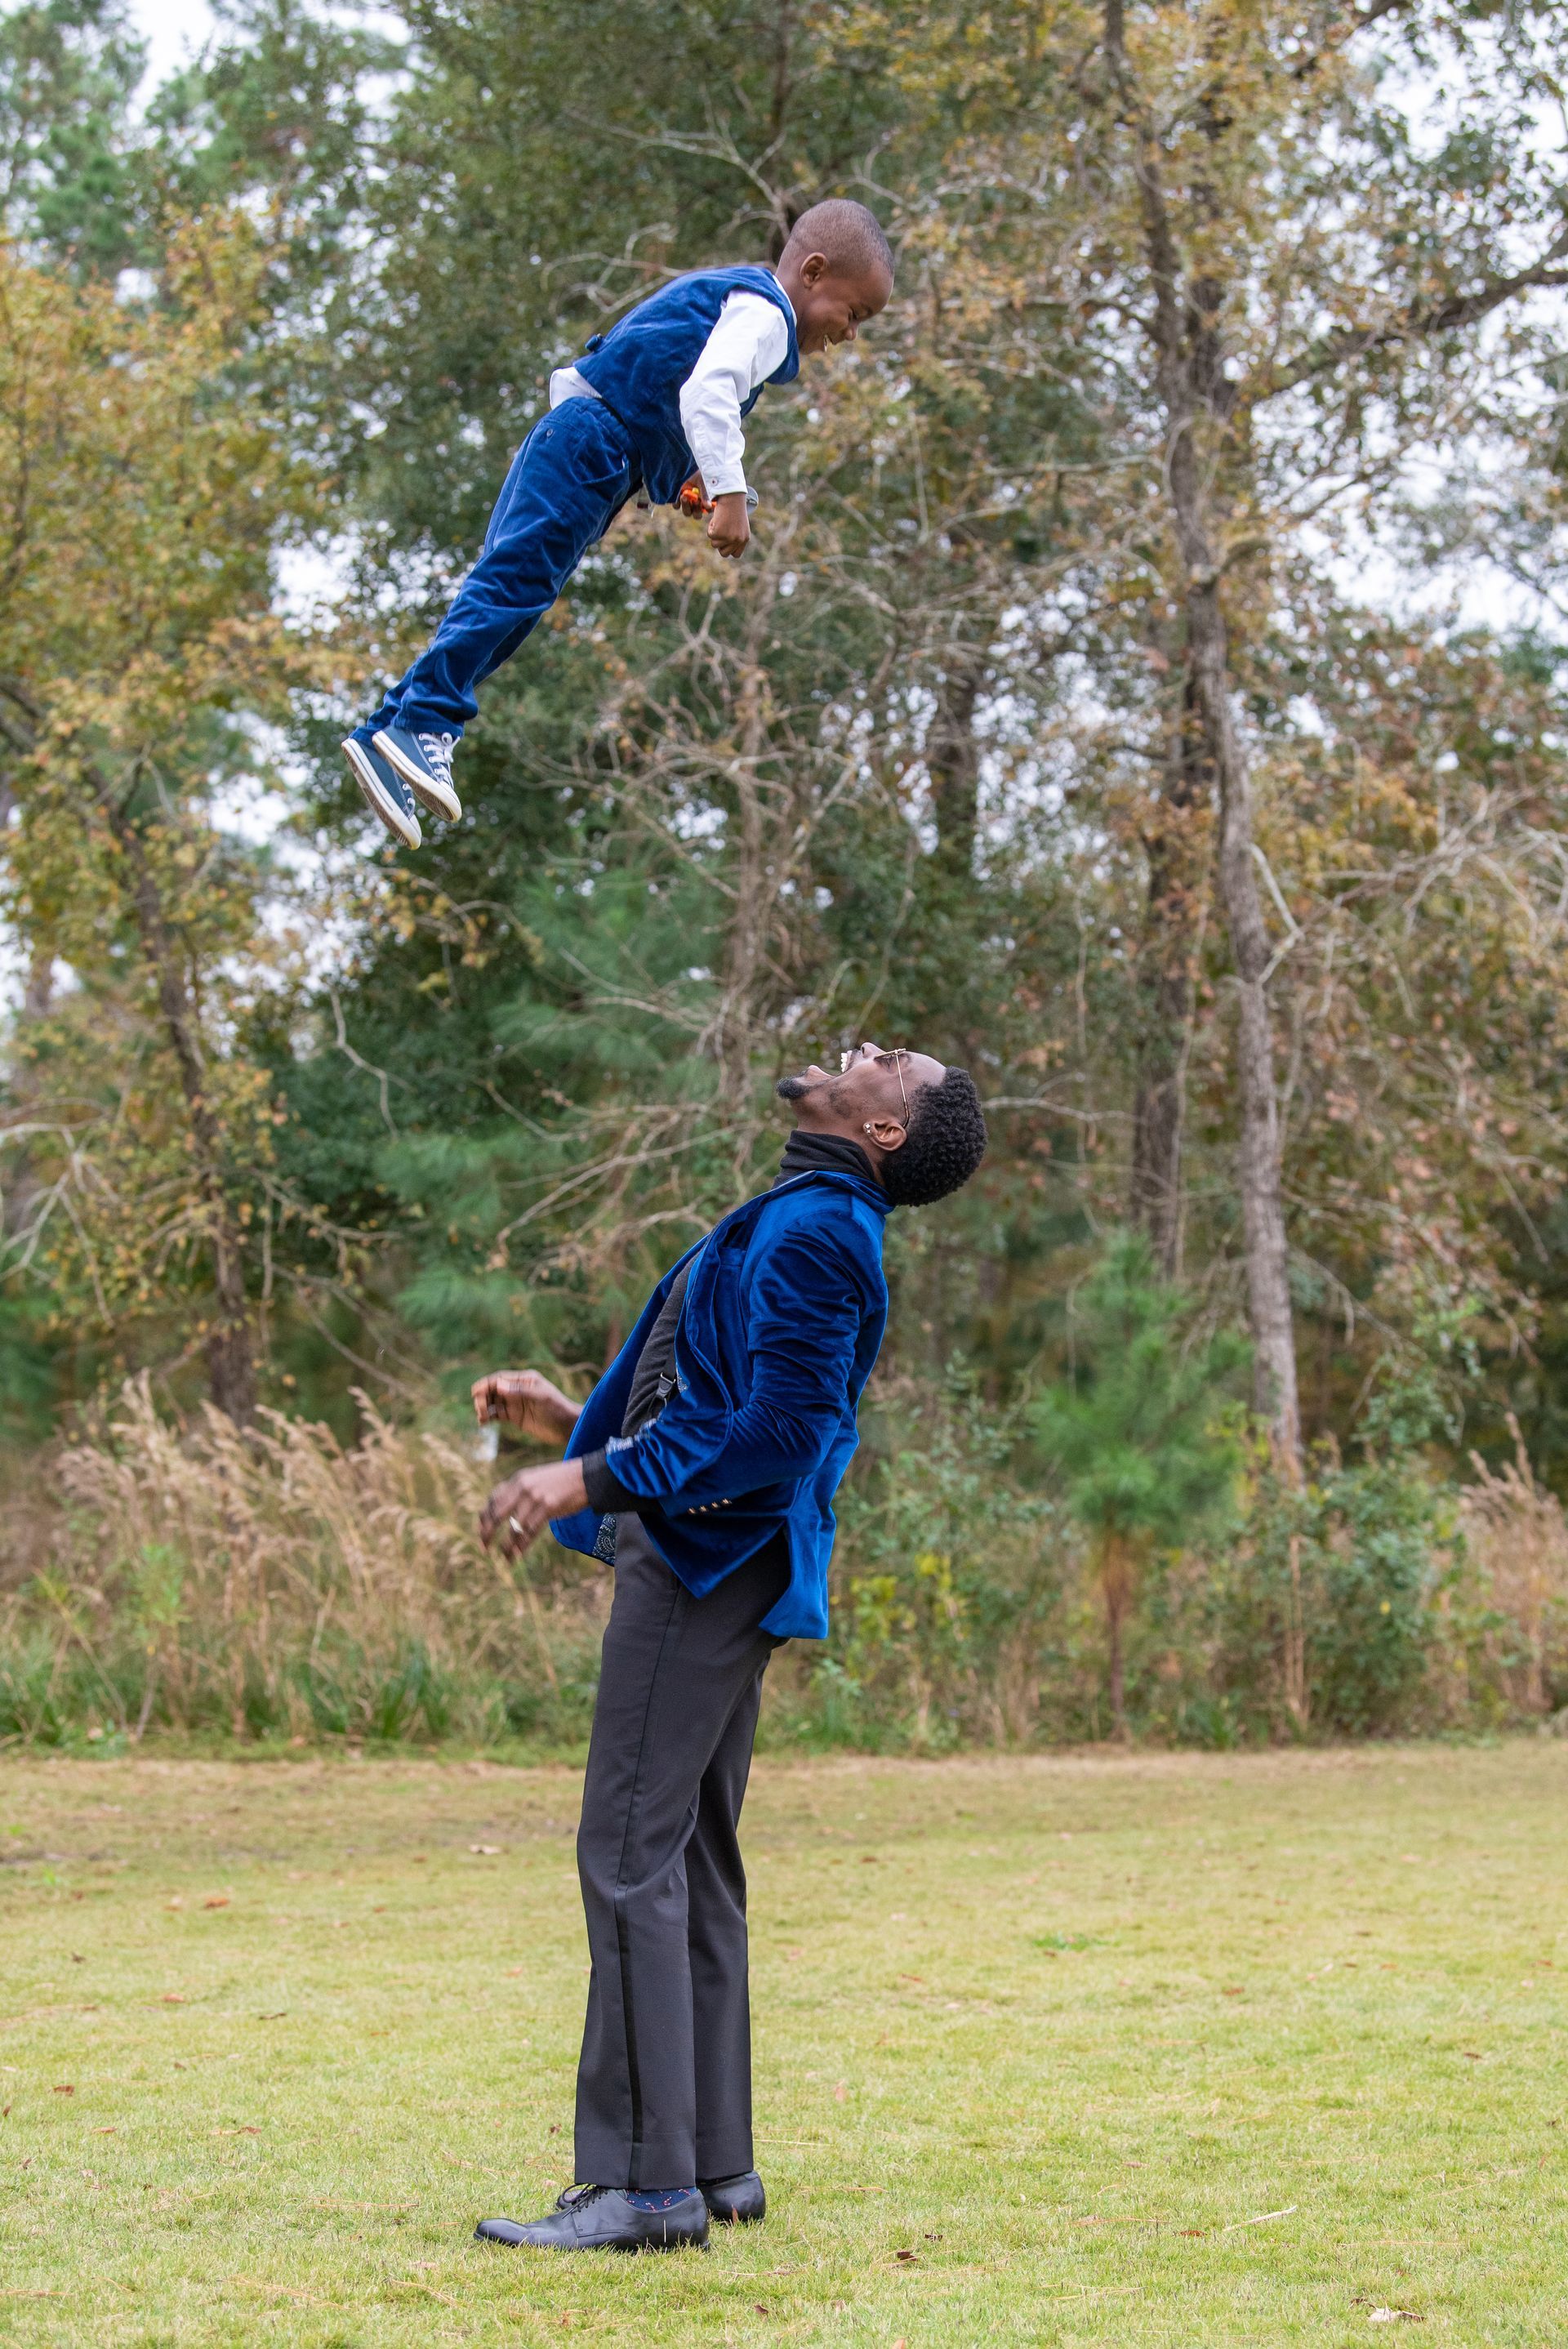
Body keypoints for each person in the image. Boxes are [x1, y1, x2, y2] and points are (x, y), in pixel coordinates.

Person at [467, 1041, 987, 2253]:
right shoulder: (811, 1215)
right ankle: (711, 2166)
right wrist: (573, 1420)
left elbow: (777, 1434)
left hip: (704, 1565)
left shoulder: (819, 1232)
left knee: (629, 1851)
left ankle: (642, 2186)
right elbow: (713, 1398)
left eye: (891, 1060)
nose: (864, 1046)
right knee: (690, 1854)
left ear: (887, 1132)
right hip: (725, 1560)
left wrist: (585, 1476)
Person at [342, 199, 894, 851]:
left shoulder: (741, 304)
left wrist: (688, 479)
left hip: (586, 444)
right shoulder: (768, 314)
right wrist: (731, 492)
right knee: (514, 587)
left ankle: (388, 729)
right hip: (590, 447)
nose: (851, 333)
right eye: (853, 312)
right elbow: (709, 394)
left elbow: (670, 390)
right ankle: (426, 722)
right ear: (813, 270)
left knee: (512, 595)